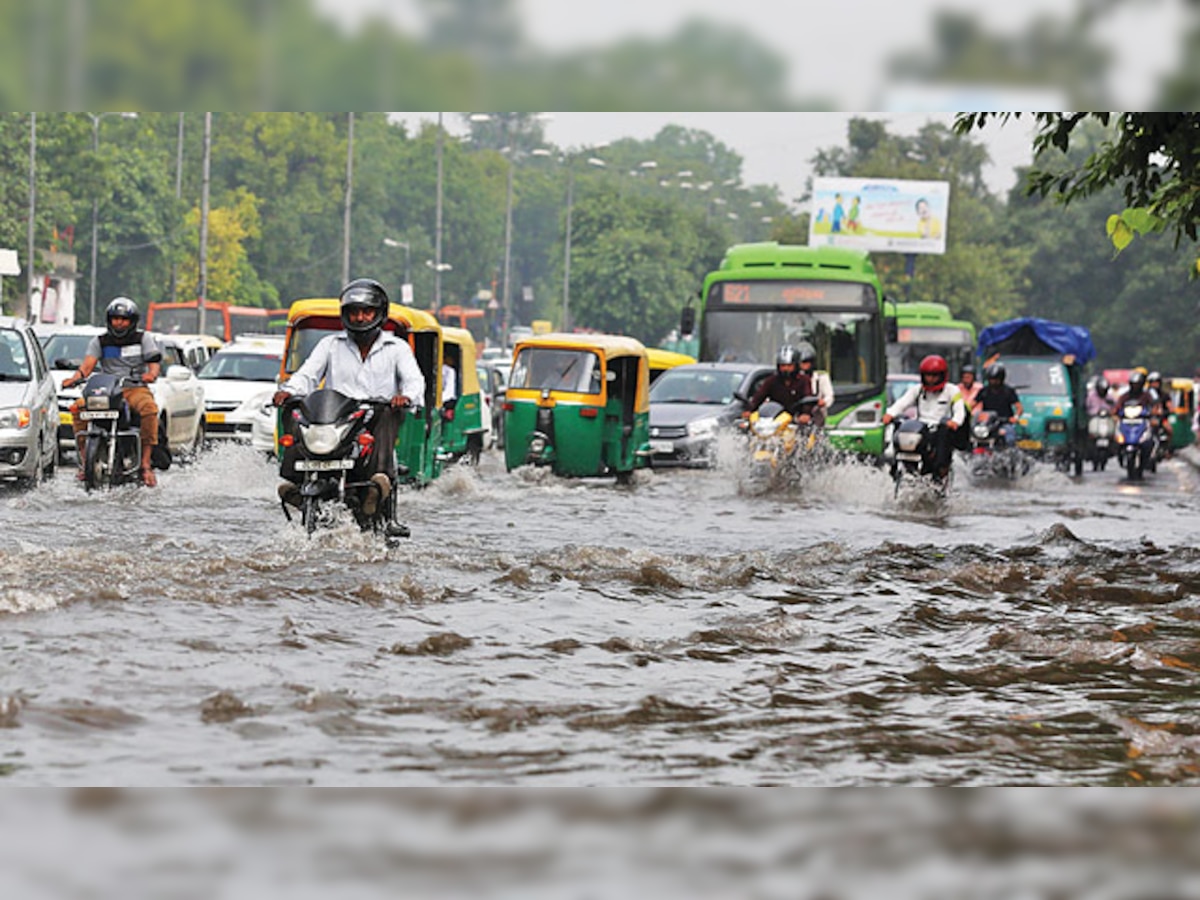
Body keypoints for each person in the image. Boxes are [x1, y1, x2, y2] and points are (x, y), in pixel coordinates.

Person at [272, 278, 426, 518]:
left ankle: (378, 483)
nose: (360, 318)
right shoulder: (330, 345)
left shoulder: (397, 348)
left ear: (380, 314)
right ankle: (294, 481)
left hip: (376, 416)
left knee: (387, 413)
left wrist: (405, 397)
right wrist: (288, 391)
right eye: (354, 312)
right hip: (337, 418)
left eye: (367, 312)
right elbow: (307, 374)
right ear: (345, 315)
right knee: (295, 409)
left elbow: (415, 381)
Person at [62, 297, 162, 487]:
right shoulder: (100, 341)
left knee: (150, 409)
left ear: (132, 322)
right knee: (77, 408)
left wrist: (151, 375)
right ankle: (85, 463)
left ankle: (145, 464)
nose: (119, 323)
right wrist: (74, 379)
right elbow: (87, 366)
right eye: (115, 318)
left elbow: (154, 365)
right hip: (107, 389)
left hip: (134, 387)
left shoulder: (143, 339)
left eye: (124, 319)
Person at [882, 353, 966, 477]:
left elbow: (960, 410)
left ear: (942, 375)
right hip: (920, 429)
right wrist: (889, 414)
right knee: (900, 427)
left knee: (941, 446)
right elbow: (902, 403)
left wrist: (955, 422)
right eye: (927, 375)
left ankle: (939, 473)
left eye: (934, 376)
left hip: (939, 429)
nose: (930, 379)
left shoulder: (952, 390)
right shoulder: (918, 389)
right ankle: (895, 469)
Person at [745, 344, 817, 424]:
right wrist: (749, 410)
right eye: (783, 366)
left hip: (796, 420)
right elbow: (759, 396)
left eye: (789, 366)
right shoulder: (771, 380)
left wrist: (805, 414)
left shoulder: (804, 380)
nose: (786, 369)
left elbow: (807, 398)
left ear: (796, 366)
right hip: (774, 420)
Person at [972, 362, 1023, 446]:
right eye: (991, 379)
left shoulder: (1008, 391)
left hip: (1004, 422)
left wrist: (1015, 417)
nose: (993, 382)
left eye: (995, 379)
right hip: (987, 423)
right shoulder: (984, 391)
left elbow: (1019, 408)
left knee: (1009, 438)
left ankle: (1009, 454)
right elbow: (972, 404)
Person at [796, 341, 834, 426]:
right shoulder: (793, 379)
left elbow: (829, 396)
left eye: (806, 363)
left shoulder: (821, 377)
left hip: (816, 415)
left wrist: (823, 402)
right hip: (797, 415)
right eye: (801, 363)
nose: (804, 366)